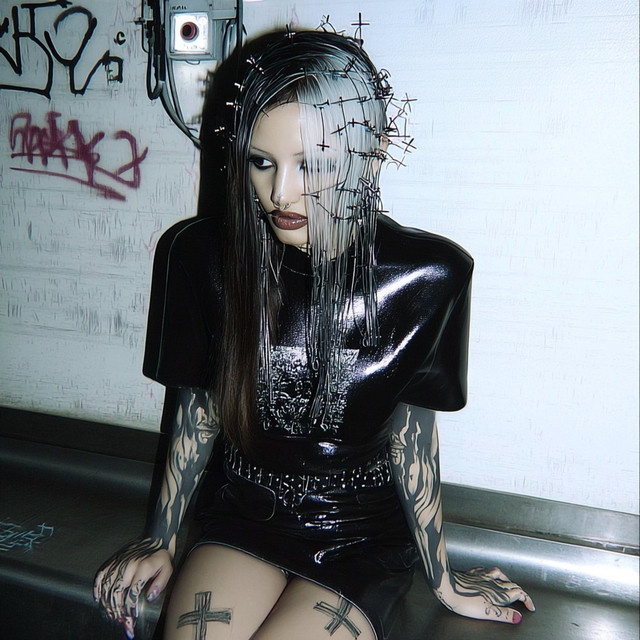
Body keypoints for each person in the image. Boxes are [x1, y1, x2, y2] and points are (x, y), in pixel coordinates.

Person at [94, 29, 534, 640]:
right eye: (262, 162)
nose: (281, 193)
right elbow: (199, 409)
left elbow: (412, 440)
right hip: (244, 516)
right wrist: (161, 537)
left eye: (313, 164)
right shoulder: (202, 258)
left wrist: (444, 578)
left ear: (371, 154)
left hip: (361, 537)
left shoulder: (427, 278)